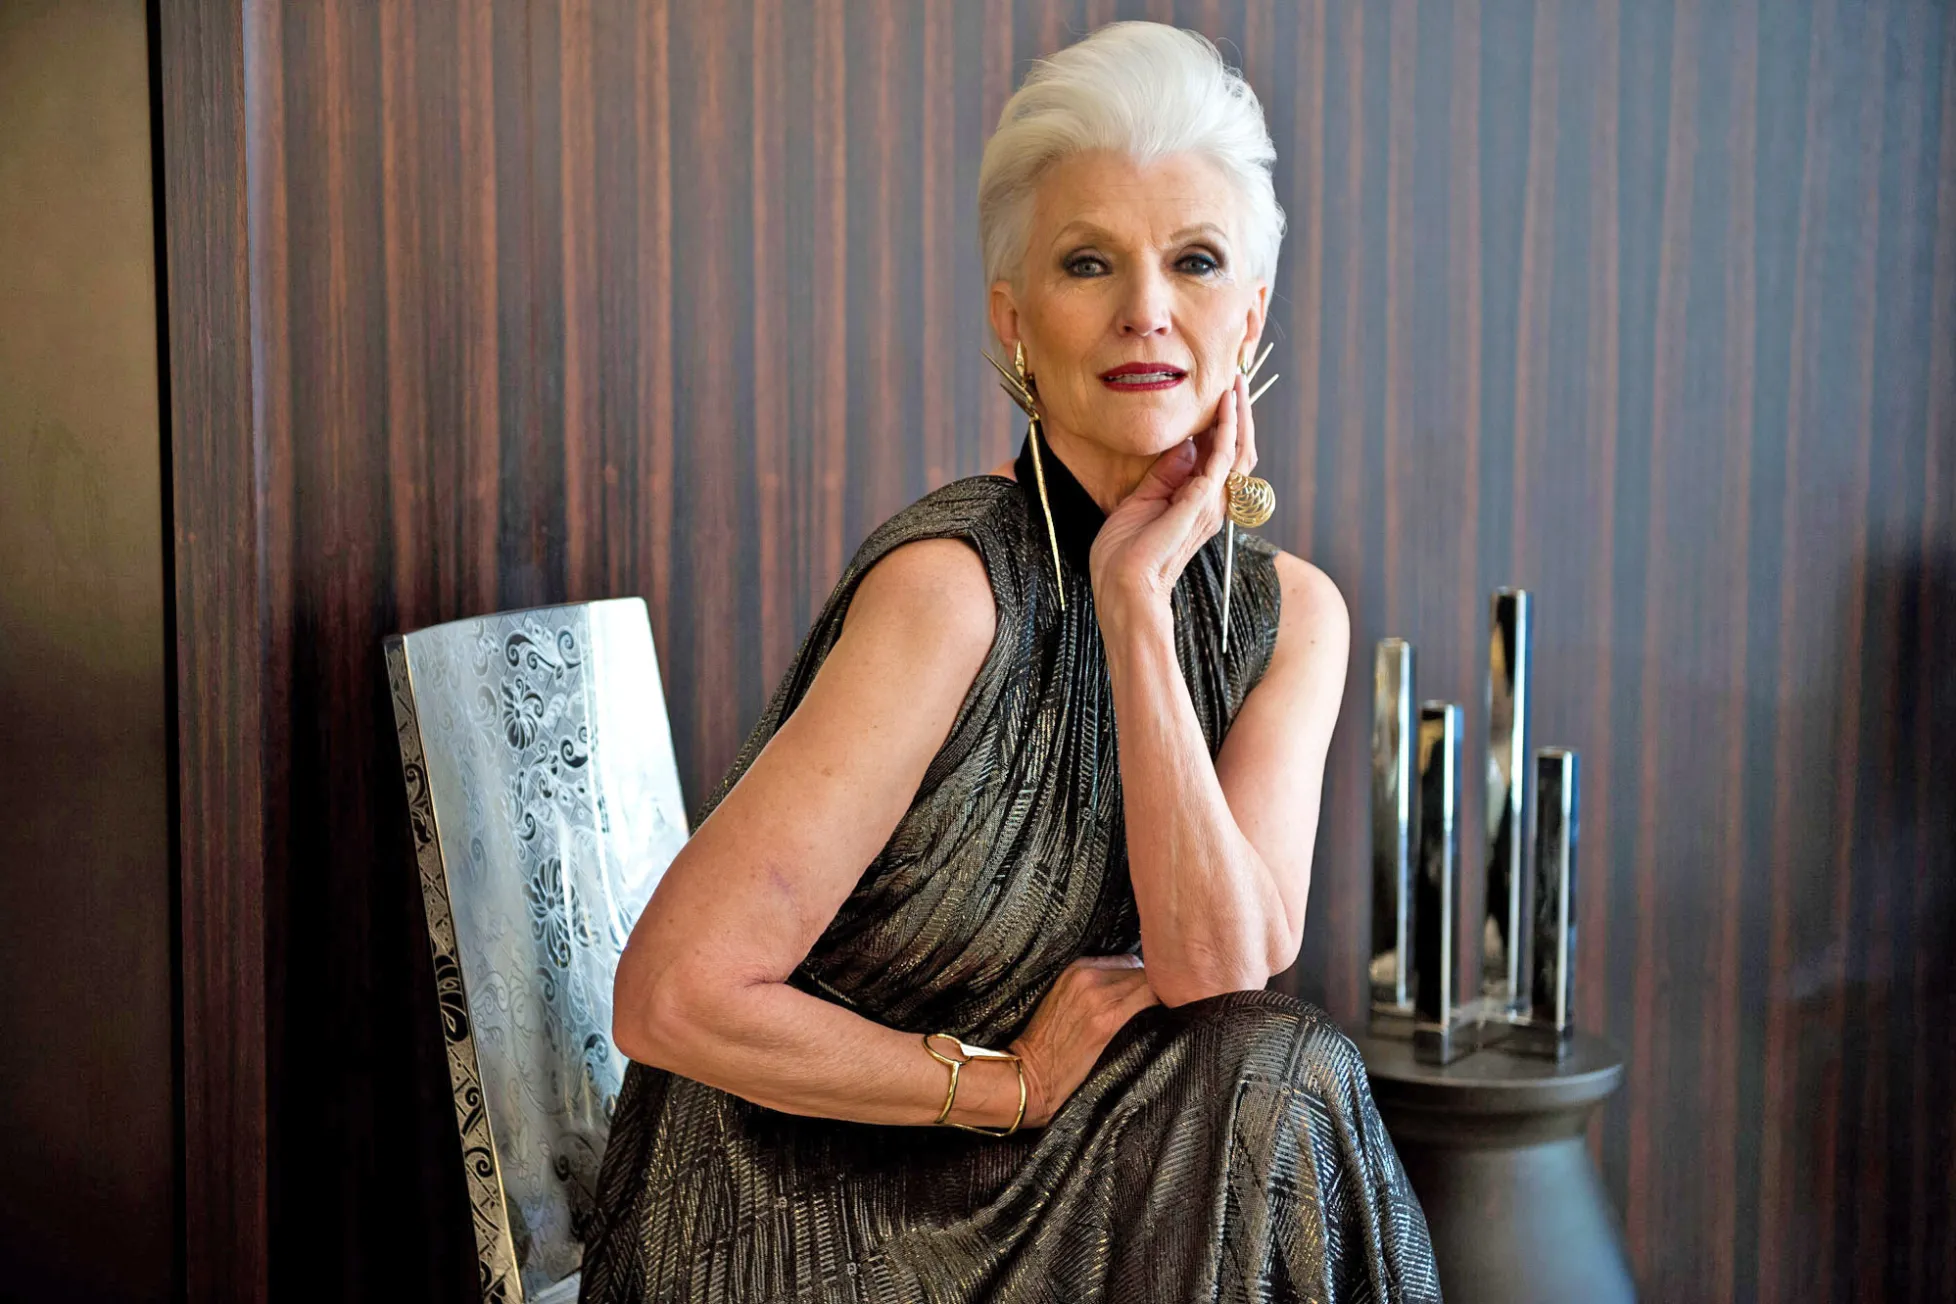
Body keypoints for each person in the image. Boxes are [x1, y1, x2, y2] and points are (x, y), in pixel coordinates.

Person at [580, 21, 1438, 1304]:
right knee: (1281, 1081)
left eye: (1195, 261)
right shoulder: (950, 593)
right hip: (808, 1206)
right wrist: (1008, 1084)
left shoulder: (1290, 616)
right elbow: (669, 995)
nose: (1146, 309)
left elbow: (1219, 969)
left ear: (1251, 315)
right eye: (1090, 261)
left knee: (1279, 1070)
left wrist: (1135, 601)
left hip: (1071, 1187)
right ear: (1016, 319)